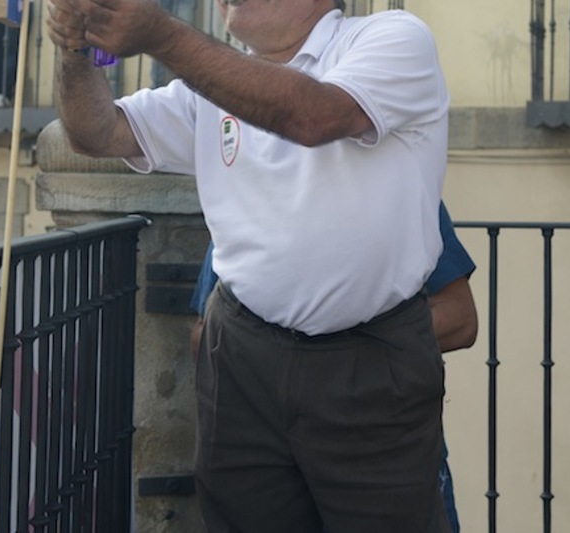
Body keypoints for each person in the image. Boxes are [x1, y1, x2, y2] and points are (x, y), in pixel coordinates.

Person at [46, 0, 451, 531]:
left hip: (369, 365)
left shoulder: (390, 38)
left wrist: (162, 34)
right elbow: (97, 133)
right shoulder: (207, 87)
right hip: (242, 359)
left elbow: (312, 116)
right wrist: (74, 50)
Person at [190, 200, 478, 532]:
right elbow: (204, 330)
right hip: (268, 445)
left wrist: (346, 351)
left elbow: (460, 318)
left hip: (379, 434)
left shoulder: (400, 182)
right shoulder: (252, 190)